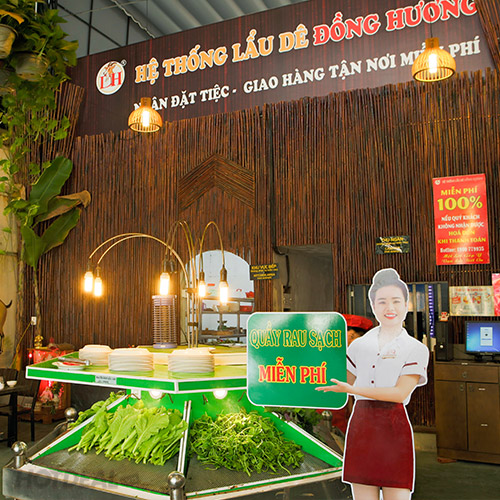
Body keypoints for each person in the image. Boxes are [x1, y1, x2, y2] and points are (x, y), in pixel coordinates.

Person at [317, 268, 429, 500]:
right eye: (382, 302)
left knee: (396, 492)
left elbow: (400, 393)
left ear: (406, 304)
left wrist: (353, 390)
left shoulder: (415, 348)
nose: (389, 308)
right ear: (373, 305)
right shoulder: (359, 346)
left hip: (393, 428)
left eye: (396, 301)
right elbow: (343, 379)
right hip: (361, 427)